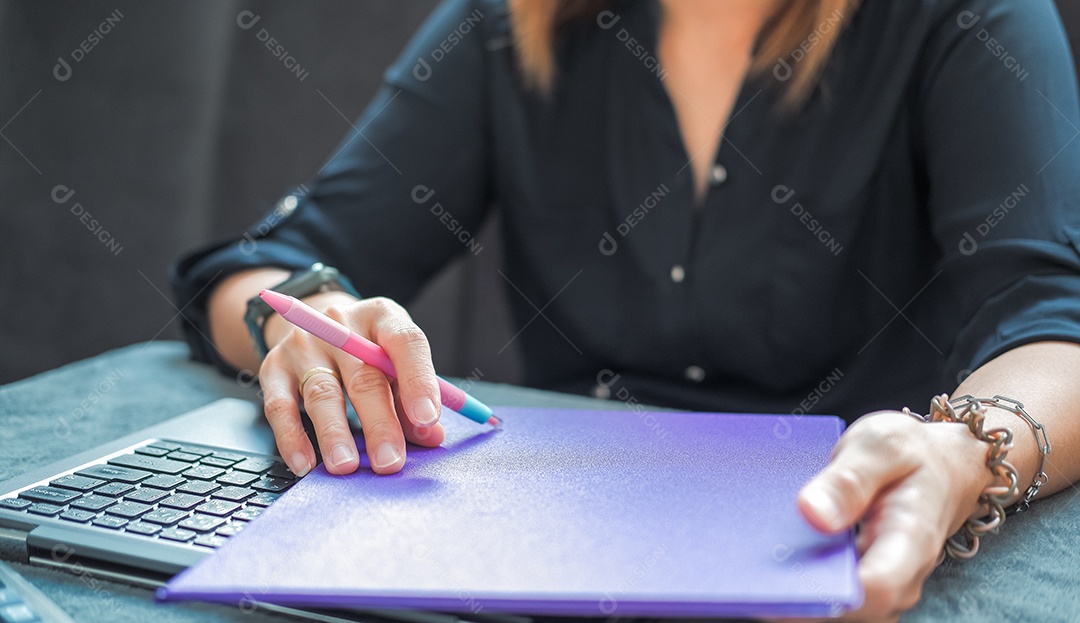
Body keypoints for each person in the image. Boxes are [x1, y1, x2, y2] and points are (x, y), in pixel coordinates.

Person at [172, 0, 1080, 619]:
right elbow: (265, 266)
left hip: (843, 552)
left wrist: (963, 449)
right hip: (546, 563)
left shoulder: (965, 19)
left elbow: (1054, 322)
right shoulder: (511, 23)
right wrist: (301, 316)